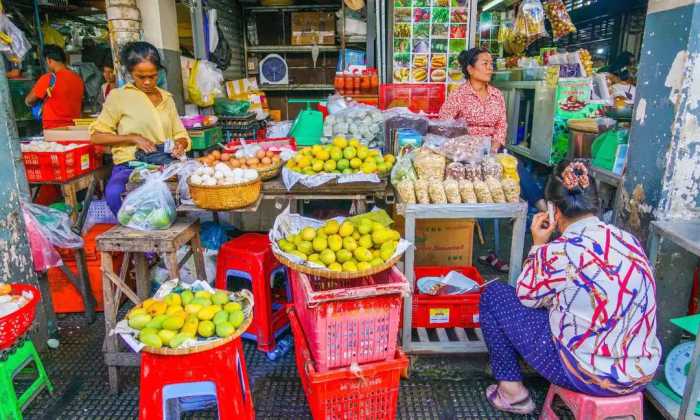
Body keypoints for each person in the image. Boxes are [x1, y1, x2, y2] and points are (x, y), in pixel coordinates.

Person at [478, 160, 661, 415]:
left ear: (553, 210)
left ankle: (512, 393)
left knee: (494, 296)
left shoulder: (560, 251)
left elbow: (527, 296)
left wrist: (538, 246)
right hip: (642, 372)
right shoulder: (628, 240)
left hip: (589, 375)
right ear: (596, 204)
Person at [439, 47, 546, 272]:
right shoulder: (459, 95)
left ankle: (542, 209)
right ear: (470, 69)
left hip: (492, 147)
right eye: (485, 63)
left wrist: (496, 145)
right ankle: (490, 249)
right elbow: (444, 124)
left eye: (491, 63)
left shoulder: (497, 94)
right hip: (465, 151)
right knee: (482, 185)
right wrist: (466, 144)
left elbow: (502, 125)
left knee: (514, 168)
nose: (490, 68)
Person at [90, 41, 190, 217]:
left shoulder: (167, 99)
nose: (147, 82)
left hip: (164, 165)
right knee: (114, 194)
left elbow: (181, 134)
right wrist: (132, 138)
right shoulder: (119, 97)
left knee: (179, 198)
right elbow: (97, 136)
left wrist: (180, 144)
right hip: (130, 166)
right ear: (130, 74)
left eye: (152, 76)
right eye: (140, 77)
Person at [25, 44, 85, 129]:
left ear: (49, 60)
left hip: (53, 128)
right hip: (74, 127)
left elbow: (29, 100)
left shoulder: (48, 78)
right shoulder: (78, 79)